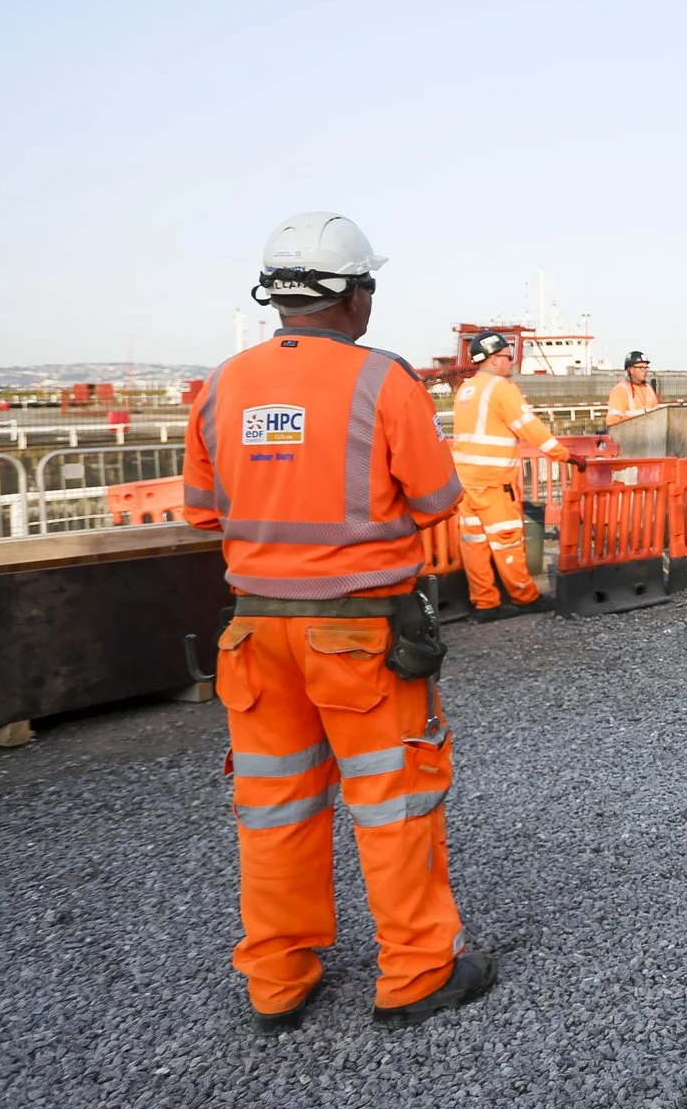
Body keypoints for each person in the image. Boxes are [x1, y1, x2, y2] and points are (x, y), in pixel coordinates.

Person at [183, 211, 496, 1032]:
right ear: (355, 296)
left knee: (276, 807)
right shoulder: (382, 382)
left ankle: (278, 980)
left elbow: (202, 511)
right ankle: (416, 973)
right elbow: (436, 499)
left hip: (254, 637)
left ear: (279, 296)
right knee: (394, 802)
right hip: (361, 635)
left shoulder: (220, 385)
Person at [450, 332, 583, 618]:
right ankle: (524, 597)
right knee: (506, 538)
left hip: (464, 479)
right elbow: (531, 429)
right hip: (493, 479)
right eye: (508, 357)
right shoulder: (501, 388)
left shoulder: (466, 389)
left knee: (474, 541)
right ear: (495, 358)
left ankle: (485, 603)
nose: (511, 362)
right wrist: (567, 456)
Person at [605, 351, 660, 426]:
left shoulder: (649, 389)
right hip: (629, 435)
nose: (645, 371)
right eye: (640, 367)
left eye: (646, 367)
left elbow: (658, 414)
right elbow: (612, 421)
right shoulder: (620, 390)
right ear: (630, 369)